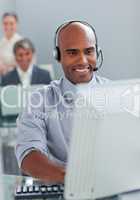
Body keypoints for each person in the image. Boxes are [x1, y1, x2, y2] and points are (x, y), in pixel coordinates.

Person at [15, 21, 108, 184]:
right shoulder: (40, 100)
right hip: (61, 188)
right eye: (72, 53)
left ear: (97, 53)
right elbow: (28, 155)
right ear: (58, 56)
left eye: (89, 51)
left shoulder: (118, 94)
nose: (82, 60)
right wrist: (72, 179)